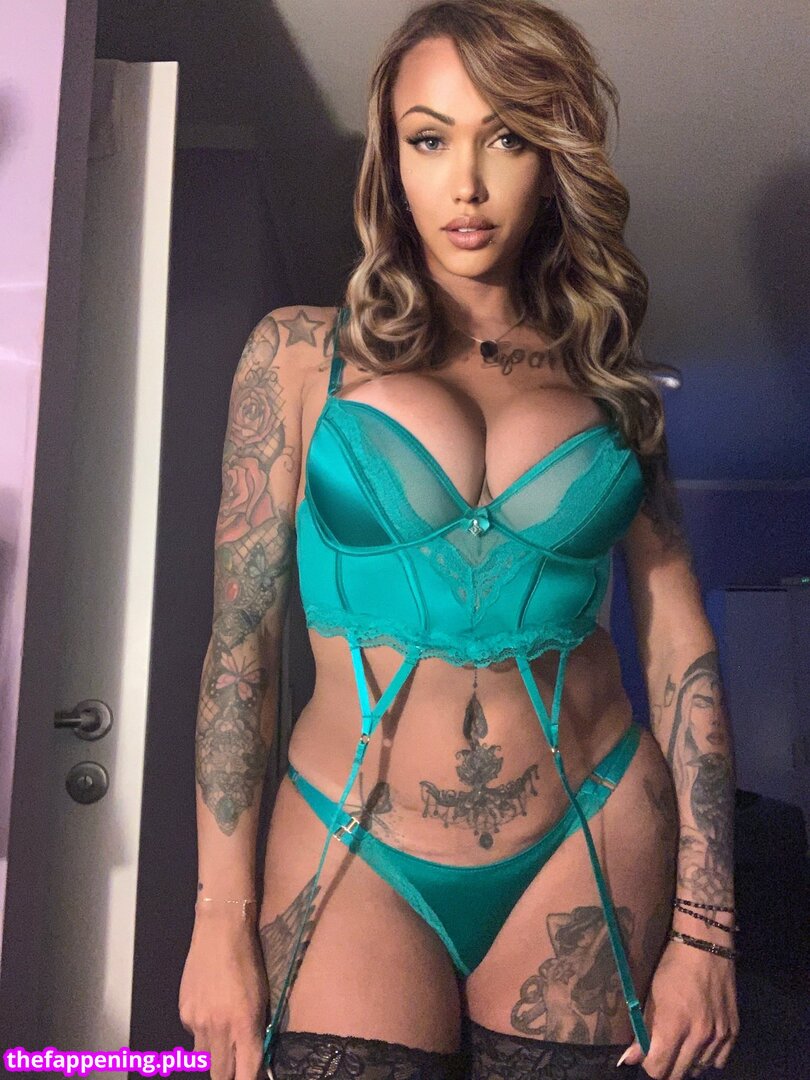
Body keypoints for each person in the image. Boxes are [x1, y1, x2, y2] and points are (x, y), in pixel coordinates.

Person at [179, 3, 740, 1078]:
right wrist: (217, 918)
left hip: (590, 836)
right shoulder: (297, 357)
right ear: (392, 162)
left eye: (507, 137)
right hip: (349, 846)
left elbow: (680, 649)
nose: (467, 185)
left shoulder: (616, 388)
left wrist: (709, 934)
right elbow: (240, 643)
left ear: (553, 158)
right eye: (429, 139)